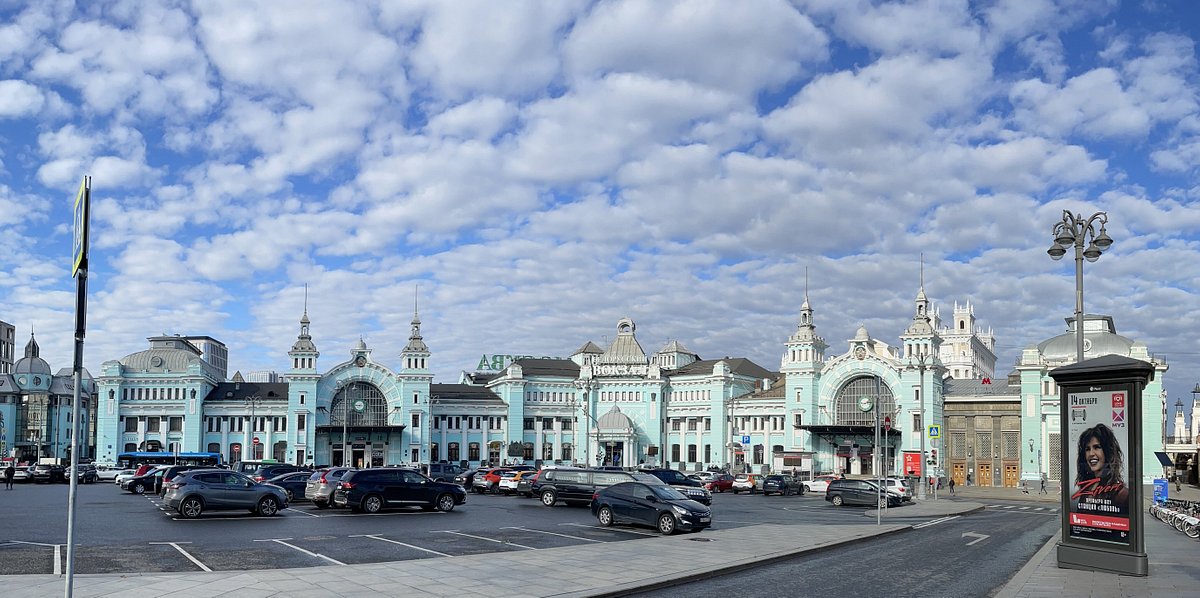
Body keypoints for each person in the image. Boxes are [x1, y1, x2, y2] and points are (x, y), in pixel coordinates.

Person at [1072, 423, 1129, 515]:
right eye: (1087, 449)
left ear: (1107, 451)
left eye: (1097, 447)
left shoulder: (1122, 494)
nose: (1091, 453)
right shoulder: (1086, 490)